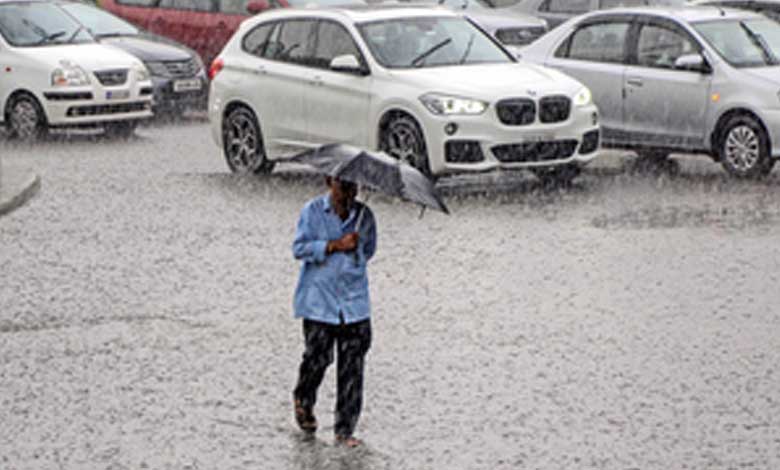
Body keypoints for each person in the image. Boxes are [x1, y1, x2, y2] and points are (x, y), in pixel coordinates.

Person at [291, 176, 377, 448]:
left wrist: (353, 252)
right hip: (319, 303)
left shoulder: (365, 216)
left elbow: (369, 249)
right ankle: (304, 398)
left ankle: (344, 429)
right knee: (317, 358)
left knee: (352, 369)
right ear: (330, 182)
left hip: (354, 305)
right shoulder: (312, 211)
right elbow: (300, 248)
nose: (348, 193)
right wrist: (333, 246)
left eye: (353, 187)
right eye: (343, 186)